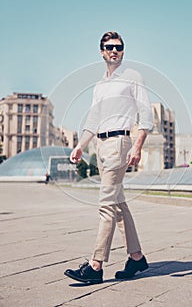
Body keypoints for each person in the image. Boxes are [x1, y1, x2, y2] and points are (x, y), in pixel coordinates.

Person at [64, 31, 153, 284]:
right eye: (109, 47)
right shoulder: (100, 85)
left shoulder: (133, 76)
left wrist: (137, 146)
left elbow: (146, 115)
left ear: (123, 51)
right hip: (101, 145)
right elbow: (93, 118)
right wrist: (81, 145)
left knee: (105, 204)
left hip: (120, 143)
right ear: (101, 51)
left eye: (118, 47)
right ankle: (136, 258)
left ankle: (95, 265)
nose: (114, 50)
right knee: (118, 204)